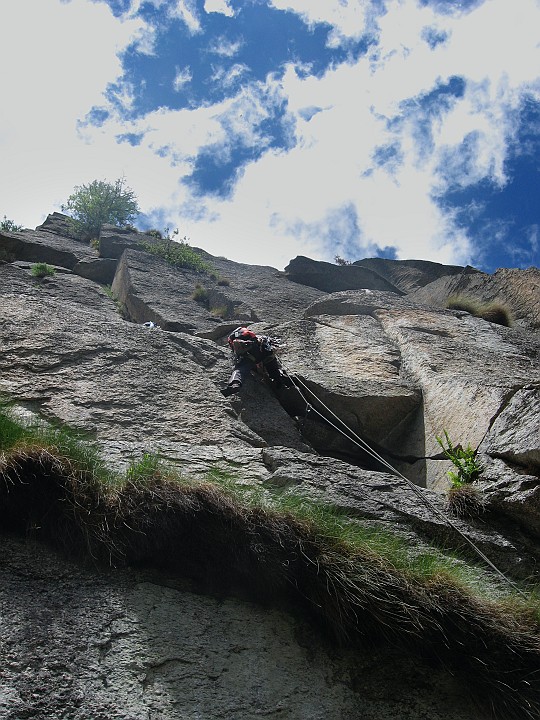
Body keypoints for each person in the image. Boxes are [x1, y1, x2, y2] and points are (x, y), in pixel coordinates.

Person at [221, 326, 290, 396]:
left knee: (240, 369)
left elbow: (236, 353)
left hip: (251, 354)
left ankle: (235, 384)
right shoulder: (257, 337)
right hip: (266, 352)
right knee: (274, 371)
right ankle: (281, 381)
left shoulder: (234, 338)